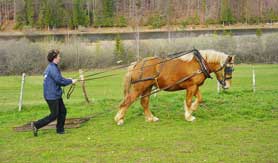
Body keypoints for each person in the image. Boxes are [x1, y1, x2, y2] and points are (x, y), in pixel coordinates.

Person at [31, 49, 77, 136]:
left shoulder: (52, 67)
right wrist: (71, 81)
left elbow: (58, 78)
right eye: (59, 56)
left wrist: (69, 79)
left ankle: (60, 130)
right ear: (54, 58)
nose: (60, 58)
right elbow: (59, 81)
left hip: (55, 94)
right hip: (52, 96)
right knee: (54, 115)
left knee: (62, 111)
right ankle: (36, 125)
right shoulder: (52, 68)